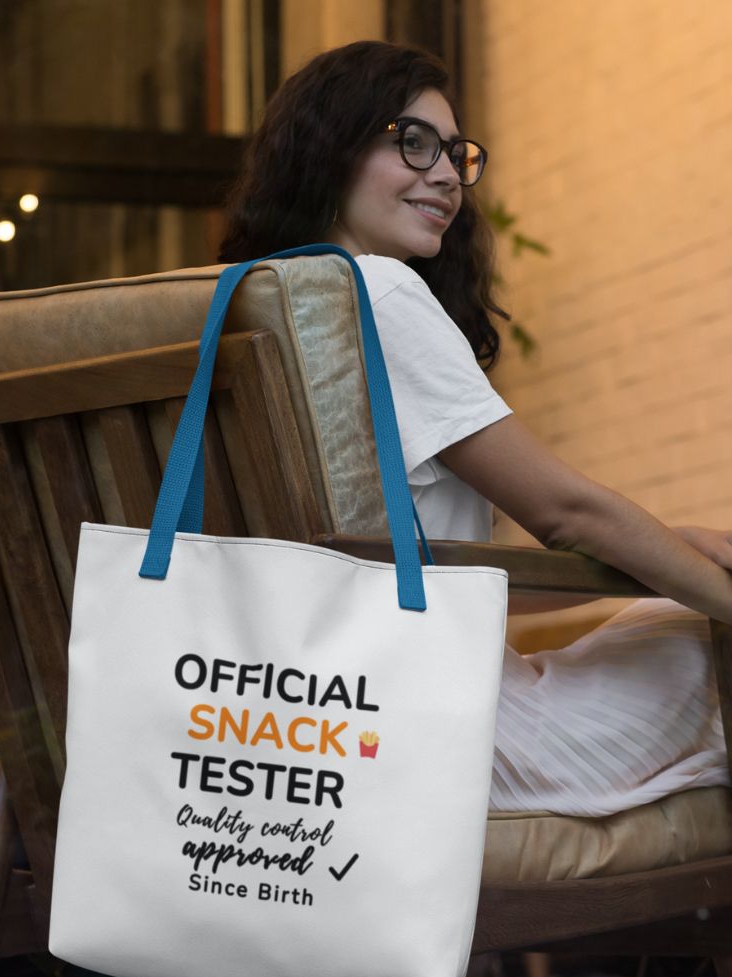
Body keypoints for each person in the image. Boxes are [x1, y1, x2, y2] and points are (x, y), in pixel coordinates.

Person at [219, 38, 732, 819]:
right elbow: (568, 514)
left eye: (455, 153)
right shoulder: (379, 293)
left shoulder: (256, 305)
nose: (447, 176)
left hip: (310, 722)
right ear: (330, 150)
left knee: (673, 607)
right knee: (700, 636)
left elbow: (407, 576)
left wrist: (672, 546)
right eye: (412, 143)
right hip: (440, 730)